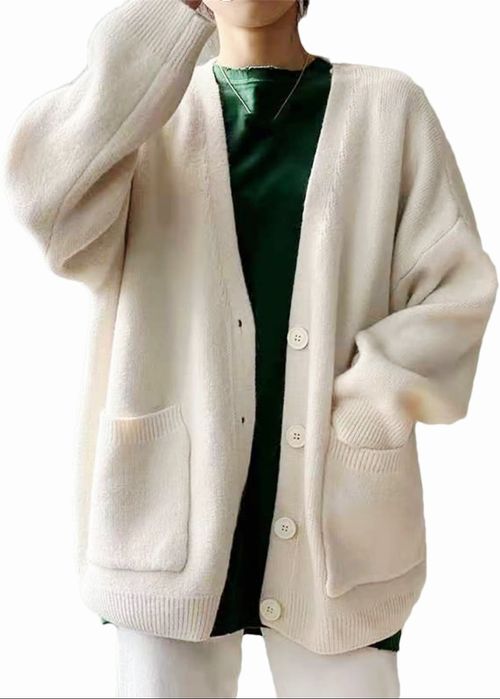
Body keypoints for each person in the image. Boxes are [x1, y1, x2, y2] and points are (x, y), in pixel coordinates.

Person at [3, 0, 497, 697]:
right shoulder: (147, 113)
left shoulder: (388, 108)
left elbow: (456, 289)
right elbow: (48, 206)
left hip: (340, 511)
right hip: (166, 510)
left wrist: (372, 406)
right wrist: (166, 24)